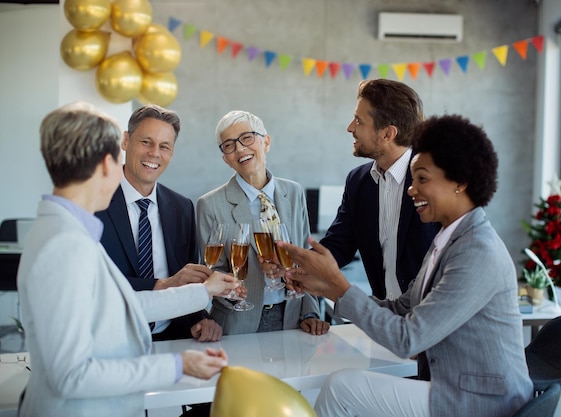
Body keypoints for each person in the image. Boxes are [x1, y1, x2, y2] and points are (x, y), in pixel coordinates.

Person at [279, 114, 534, 417]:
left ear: (460, 183)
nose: (411, 189)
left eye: (422, 179)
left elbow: (408, 338)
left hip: (482, 401)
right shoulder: (449, 238)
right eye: (413, 179)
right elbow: (402, 308)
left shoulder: (477, 251)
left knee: (341, 388)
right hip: (454, 387)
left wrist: (339, 286)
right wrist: (328, 288)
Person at [17, 102, 239, 417]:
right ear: (108, 162)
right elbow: (71, 376)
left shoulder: (66, 231)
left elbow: (119, 307)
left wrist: (205, 291)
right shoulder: (65, 245)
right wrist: (177, 366)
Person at [96, 104, 223, 343]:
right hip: (111, 339)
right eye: (146, 142)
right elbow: (94, 283)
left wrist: (199, 319)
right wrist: (161, 285)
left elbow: (187, 279)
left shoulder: (182, 208)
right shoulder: (93, 203)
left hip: (172, 340)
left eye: (164, 146)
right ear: (125, 141)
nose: (154, 153)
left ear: (171, 153)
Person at [196, 110, 328, 335]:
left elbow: (306, 257)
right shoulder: (209, 205)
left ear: (266, 142)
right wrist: (237, 289)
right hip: (237, 323)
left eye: (247, 138)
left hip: (293, 319)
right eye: (229, 145)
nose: (239, 149)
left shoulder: (294, 192)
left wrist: (310, 313)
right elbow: (211, 272)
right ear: (225, 158)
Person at [319, 79, 439, 300]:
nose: (350, 128)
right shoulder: (358, 181)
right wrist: (297, 266)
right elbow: (339, 245)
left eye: (358, 121)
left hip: (433, 320)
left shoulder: (435, 179)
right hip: (386, 321)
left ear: (387, 134)